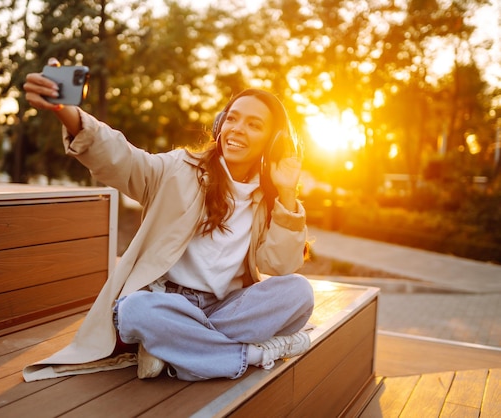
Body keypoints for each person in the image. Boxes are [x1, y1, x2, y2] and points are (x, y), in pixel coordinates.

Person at [21, 59, 315, 382]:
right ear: (220, 125)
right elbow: (124, 160)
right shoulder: (180, 169)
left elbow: (281, 265)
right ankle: (250, 355)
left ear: (273, 144)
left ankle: (176, 348)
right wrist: (69, 114)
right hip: (165, 303)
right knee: (134, 310)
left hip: (223, 308)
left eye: (254, 125)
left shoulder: (266, 199)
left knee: (299, 292)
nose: (237, 130)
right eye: (232, 118)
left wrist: (287, 194)